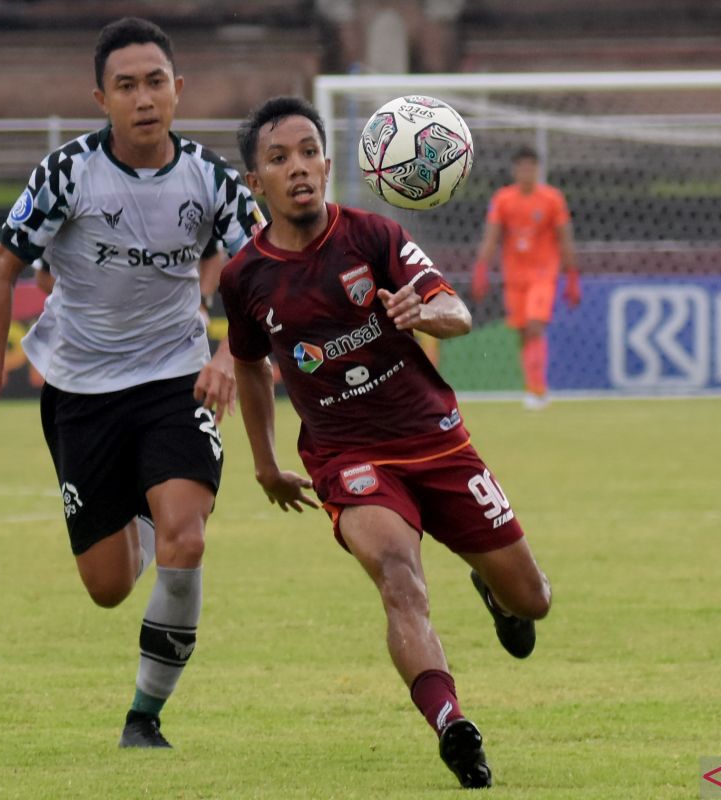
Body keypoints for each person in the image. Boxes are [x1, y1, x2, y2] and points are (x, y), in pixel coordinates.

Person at [0, 17, 264, 749]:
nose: (144, 97)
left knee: (187, 539)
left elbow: (264, 276)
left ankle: (144, 717)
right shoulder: (67, 174)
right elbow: (0, 267)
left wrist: (225, 357)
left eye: (156, 82)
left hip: (176, 382)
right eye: (127, 86)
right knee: (109, 587)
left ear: (178, 90)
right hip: (80, 389)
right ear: (101, 98)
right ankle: (145, 513)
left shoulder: (212, 180)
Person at [220, 97, 553, 790]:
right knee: (400, 581)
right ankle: (451, 723)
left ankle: (496, 596)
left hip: (437, 442)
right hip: (349, 458)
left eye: (308, 151)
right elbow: (250, 367)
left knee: (533, 601)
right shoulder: (244, 277)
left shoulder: (372, 234)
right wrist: (264, 463)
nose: (299, 168)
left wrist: (424, 309)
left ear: (330, 161)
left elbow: (456, 309)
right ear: (256, 184)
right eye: (278, 159)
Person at [471, 145, 580, 410]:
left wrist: (572, 275)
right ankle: (534, 387)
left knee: (534, 325)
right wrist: (481, 268)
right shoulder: (503, 199)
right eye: (521, 167)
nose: (526, 172)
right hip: (514, 277)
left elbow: (565, 238)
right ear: (515, 170)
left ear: (537, 170)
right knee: (522, 332)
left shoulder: (553, 199)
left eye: (531, 167)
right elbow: (492, 236)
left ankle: (537, 388)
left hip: (543, 275)